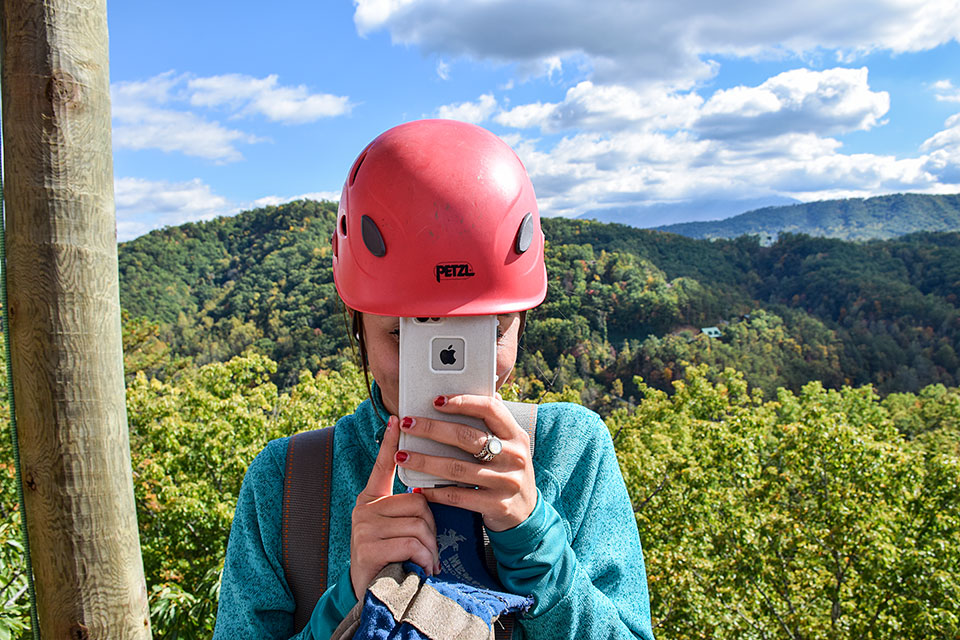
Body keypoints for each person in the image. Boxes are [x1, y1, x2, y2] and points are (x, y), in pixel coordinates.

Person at [213, 119, 654, 639]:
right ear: (359, 327)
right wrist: (351, 599)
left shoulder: (571, 450)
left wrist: (536, 542)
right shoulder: (287, 487)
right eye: (406, 336)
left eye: (487, 332)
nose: (444, 368)